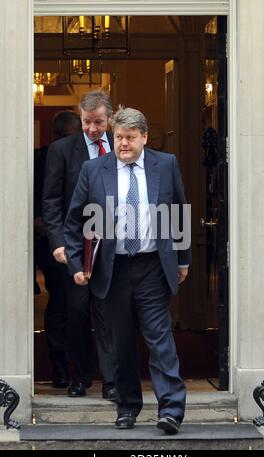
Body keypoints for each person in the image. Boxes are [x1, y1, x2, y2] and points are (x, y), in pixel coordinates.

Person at [64, 107, 191, 434]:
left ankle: (171, 410)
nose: (123, 144)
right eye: (118, 137)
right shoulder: (94, 170)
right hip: (113, 268)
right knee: (120, 343)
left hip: (152, 265)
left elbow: (179, 211)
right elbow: (76, 219)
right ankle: (127, 407)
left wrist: (183, 259)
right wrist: (77, 264)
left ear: (144, 138)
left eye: (130, 138)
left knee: (160, 339)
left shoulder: (166, 164)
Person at [43, 91, 116, 400]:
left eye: (98, 122)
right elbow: (51, 200)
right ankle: (80, 376)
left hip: (116, 245)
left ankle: (112, 380)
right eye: (87, 122)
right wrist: (58, 242)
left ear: (109, 118)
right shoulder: (62, 150)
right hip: (76, 245)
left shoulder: (123, 144)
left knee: (111, 313)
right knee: (76, 311)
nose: (92, 129)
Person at [34, 110, 82, 388]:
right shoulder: (39, 159)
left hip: (82, 242)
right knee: (61, 303)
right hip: (49, 243)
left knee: (80, 306)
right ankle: (60, 365)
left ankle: (81, 368)